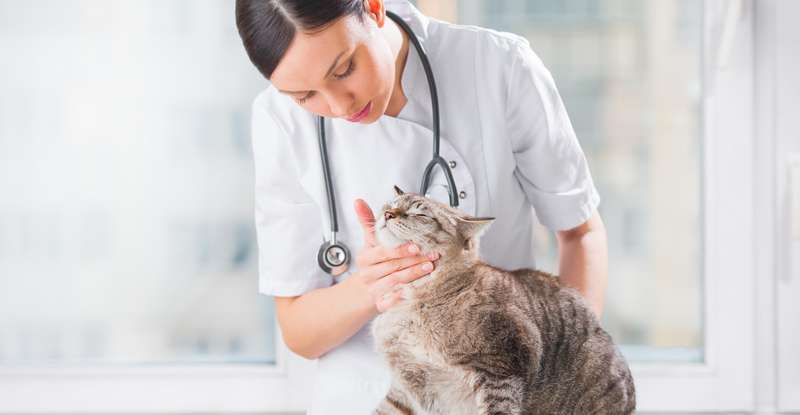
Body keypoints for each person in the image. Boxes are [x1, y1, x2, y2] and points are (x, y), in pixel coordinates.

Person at [235, 0, 609, 413]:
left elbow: (580, 232)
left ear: (374, 8)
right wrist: (371, 285)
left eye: (343, 70)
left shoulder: (497, 66)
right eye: (305, 96)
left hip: (501, 393)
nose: (339, 106)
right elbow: (299, 331)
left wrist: (567, 377)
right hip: (363, 397)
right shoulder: (277, 120)